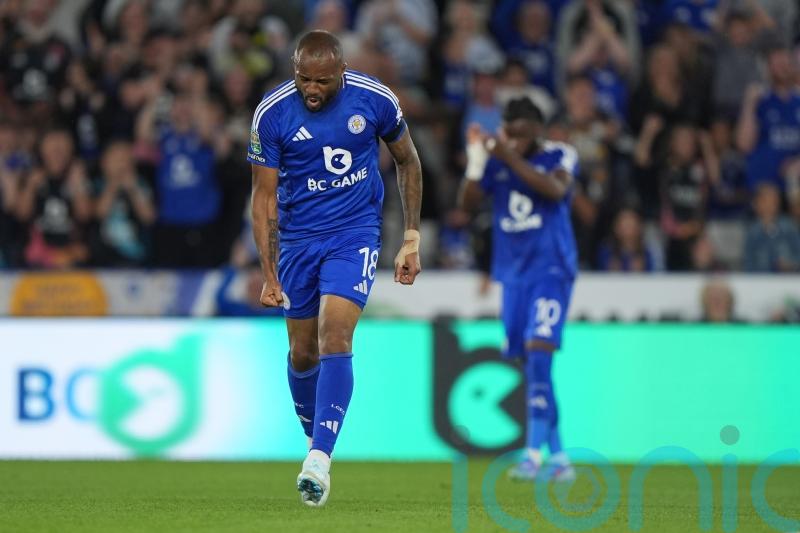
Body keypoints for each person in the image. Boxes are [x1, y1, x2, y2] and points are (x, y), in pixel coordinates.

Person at [248, 31, 422, 507]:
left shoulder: (375, 99)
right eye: (303, 78)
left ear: (341, 73)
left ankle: (320, 460)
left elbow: (407, 161)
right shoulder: (273, 113)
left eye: (322, 81)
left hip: (355, 233)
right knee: (302, 355)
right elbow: (263, 198)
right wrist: (269, 272)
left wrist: (410, 238)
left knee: (335, 337)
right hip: (299, 241)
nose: (311, 89)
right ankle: (315, 438)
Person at [458, 96, 577, 482]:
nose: (515, 140)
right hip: (512, 275)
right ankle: (560, 460)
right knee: (531, 365)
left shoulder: (560, 154)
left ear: (538, 131)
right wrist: (477, 158)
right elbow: (467, 203)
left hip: (551, 269)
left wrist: (508, 157)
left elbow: (556, 191)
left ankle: (532, 457)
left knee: (540, 355)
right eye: (511, 133)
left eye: (523, 134)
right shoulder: (499, 162)